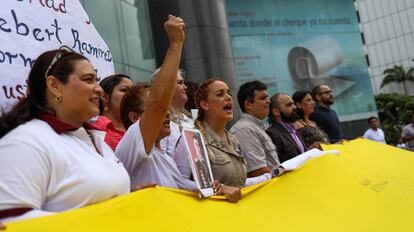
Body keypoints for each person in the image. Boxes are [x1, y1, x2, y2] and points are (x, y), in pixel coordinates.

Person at [115, 16, 240, 202]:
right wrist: (176, 43)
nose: (165, 112)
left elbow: (187, 188)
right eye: (156, 110)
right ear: (134, 117)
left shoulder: (164, 159)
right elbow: (158, 103)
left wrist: (218, 188)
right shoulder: (132, 140)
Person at [0, 46, 130, 223]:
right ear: (54, 86)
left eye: (96, 80)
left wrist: (134, 199)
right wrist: (102, 220)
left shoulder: (94, 138)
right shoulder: (25, 143)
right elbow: (10, 221)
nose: (99, 89)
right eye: (88, 79)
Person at [174, 79, 283, 188]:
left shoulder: (233, 140)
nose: (229, 98)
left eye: (229, 93)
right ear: (205, 104)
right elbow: (180, 182)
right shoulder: (193, 138)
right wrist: (217, 189)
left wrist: (270, 176)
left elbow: (238, 184)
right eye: (220, 94)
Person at [230, 80, 281, 177]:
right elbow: (257, 170)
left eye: (267, 97)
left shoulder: (255, 126)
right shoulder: (245, 129)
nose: (268, 101)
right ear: (248, 104)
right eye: (263, 98)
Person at [156, 68, 194, 157]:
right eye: (180, 83)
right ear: (165, 88)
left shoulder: (190, 120)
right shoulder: (161, 121)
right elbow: (161, 157)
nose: (185, 87)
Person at [92, 74, 133, 150]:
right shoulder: (95, 130)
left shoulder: (138, 129)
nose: (132, 95)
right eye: (124, 90)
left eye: (134, 92)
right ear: (104, 97)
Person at [266, 93, 307, 163]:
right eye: (289, 105)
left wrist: (310, 151)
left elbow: (298, 154)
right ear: (276, 111)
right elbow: (279, 163)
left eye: (293, 104)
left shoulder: (292, 128)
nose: (294, 107)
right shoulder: (272, 133)